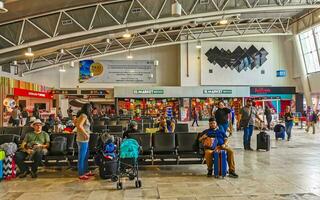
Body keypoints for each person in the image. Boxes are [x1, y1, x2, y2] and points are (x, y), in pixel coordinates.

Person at [76, 103, 94, 180]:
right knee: (82, 157)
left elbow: (76, 123)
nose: (92, 109)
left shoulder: (82, 115)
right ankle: (81, 174)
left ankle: (85, 171)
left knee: (86, 156)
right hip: (82, 139)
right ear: (88, 108)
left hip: (84, 139)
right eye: (91, 108)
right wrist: (85, 133)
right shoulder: (84, 116)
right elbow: (79, 125)